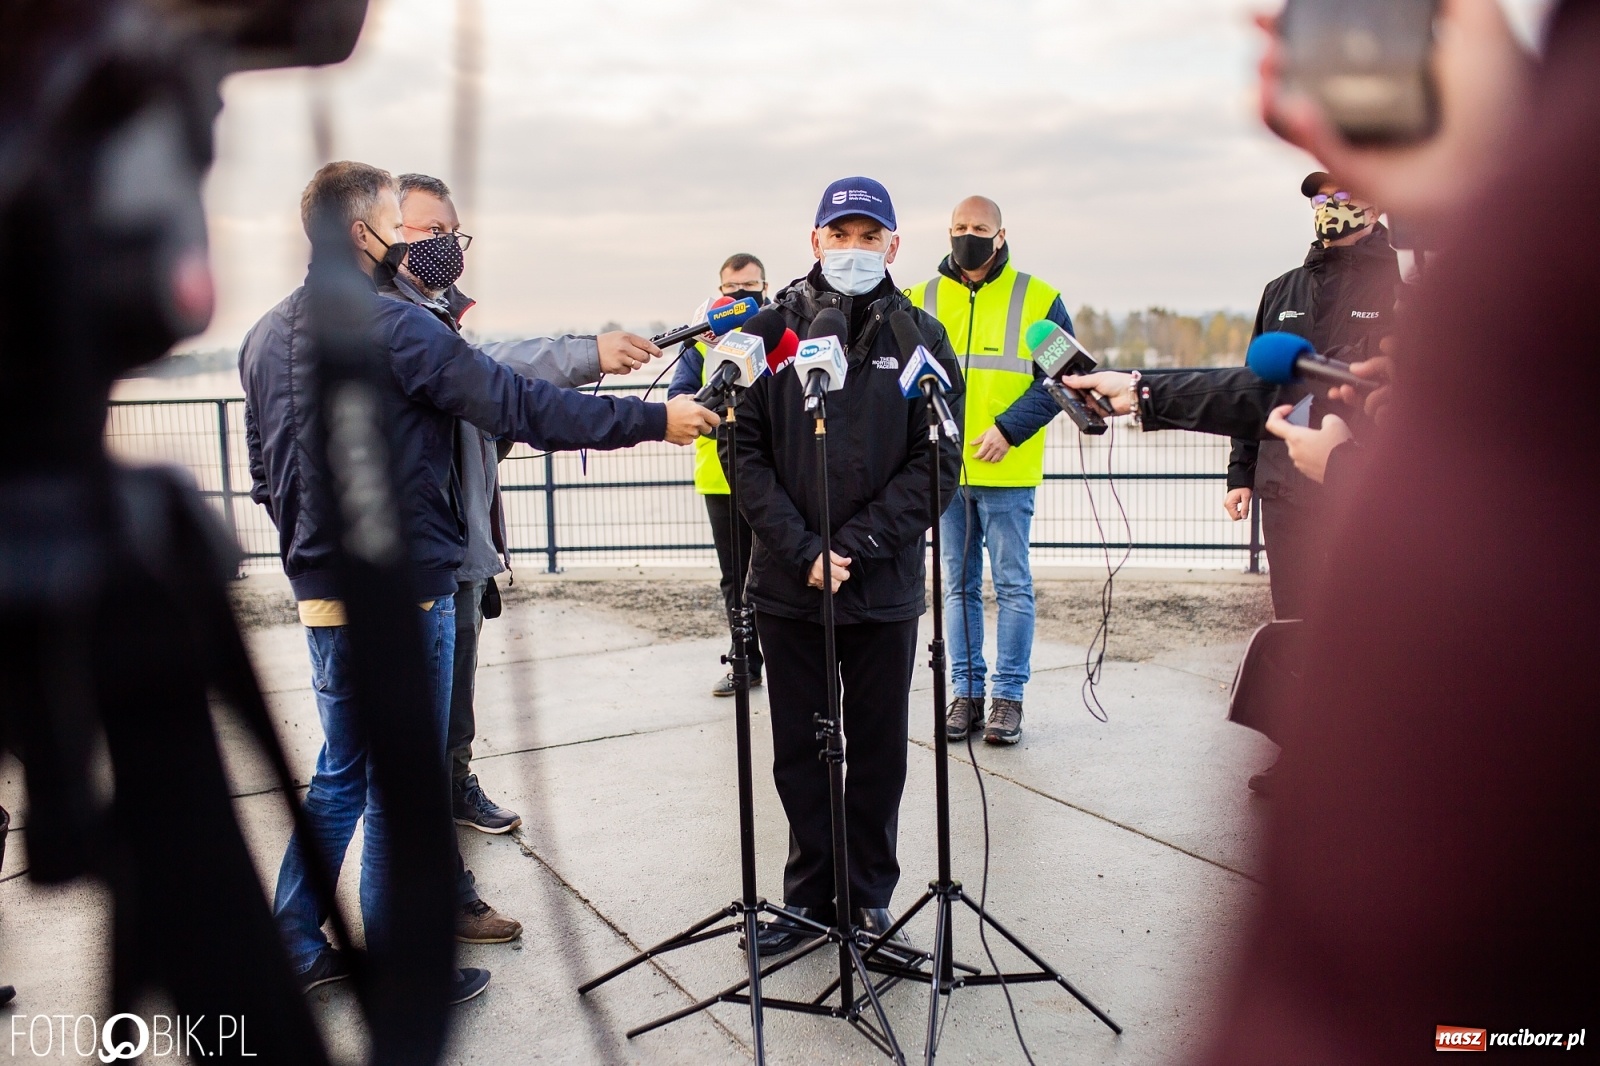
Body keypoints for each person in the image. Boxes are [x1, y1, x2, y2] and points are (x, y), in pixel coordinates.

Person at [1188, 0, 1599, 1059]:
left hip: (1460, 979)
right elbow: (1253, 384)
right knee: (1304, 640)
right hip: (1306, 485)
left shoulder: (1521, 231)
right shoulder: (1292, 286)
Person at [241, 161, 718, 1000]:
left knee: (343, 772)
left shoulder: (262, 337)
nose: (413, 238)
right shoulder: (397, 328)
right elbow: (520, 405)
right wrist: (654, 419)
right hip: (405, 594)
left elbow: (262, 476)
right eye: (399, 220)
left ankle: (288, 941)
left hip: (320, 595)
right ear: (363, 234)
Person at [386, 173, 668, 942]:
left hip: (463, 551)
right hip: (420, 566)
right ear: (382, 235)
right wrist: (591, 358)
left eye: (450, 229)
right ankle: (424, 895)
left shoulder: (434, 319)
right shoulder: (405, 328)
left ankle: (453, 795)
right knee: (379, 759)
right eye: (422, 231)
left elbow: (497, 401)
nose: (442, 244)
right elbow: (511, 375)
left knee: (449, 713)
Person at [733, 177, 962, 954]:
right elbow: (743, 450)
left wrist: (855, 546)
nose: (855, 250)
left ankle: (867, 899)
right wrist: (803, 551)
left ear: (894, 246)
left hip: (883, 586)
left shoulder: (922, 335)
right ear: (815, 241)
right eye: (843, 234)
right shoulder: (773, 334)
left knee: (878, 752)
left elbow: (940, 462)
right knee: (800, 750)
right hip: (788, 586)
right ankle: (806, 902)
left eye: (871, 237)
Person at [907, 196, 1075, 746]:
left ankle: (1008, 699)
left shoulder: (1038, 297)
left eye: (979, 227)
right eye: (959, 227)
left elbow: (1063, 380)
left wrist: (1008, 428)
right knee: (955, 586)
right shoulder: (920, 298)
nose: (967, 235)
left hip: (1009, 467)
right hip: (946, 470)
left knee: (1012, 586)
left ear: (1001, 234)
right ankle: (967, 694)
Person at [1225, 173, 1400, 626]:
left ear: (1375, 209)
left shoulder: (1402, 287)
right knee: (1295, 622)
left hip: (1365, 485)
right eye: (1321, 200)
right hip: (1284, 487)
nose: (1328, 207)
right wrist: (1240, 474)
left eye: (1342, 196)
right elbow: (1255, 386)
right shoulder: (1281, 290)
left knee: (1367, 621)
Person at [668, 253, 770, 696]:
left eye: (752, 288)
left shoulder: (779, 333)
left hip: (772, 479)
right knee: (736, 576)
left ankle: (787, 660)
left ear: (765, 287)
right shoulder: (701, 344)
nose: (743, 297)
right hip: (720, 479)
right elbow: (680, 397)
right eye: (733, 291)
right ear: (720, 292)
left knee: (780, 573)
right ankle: (744, 661)